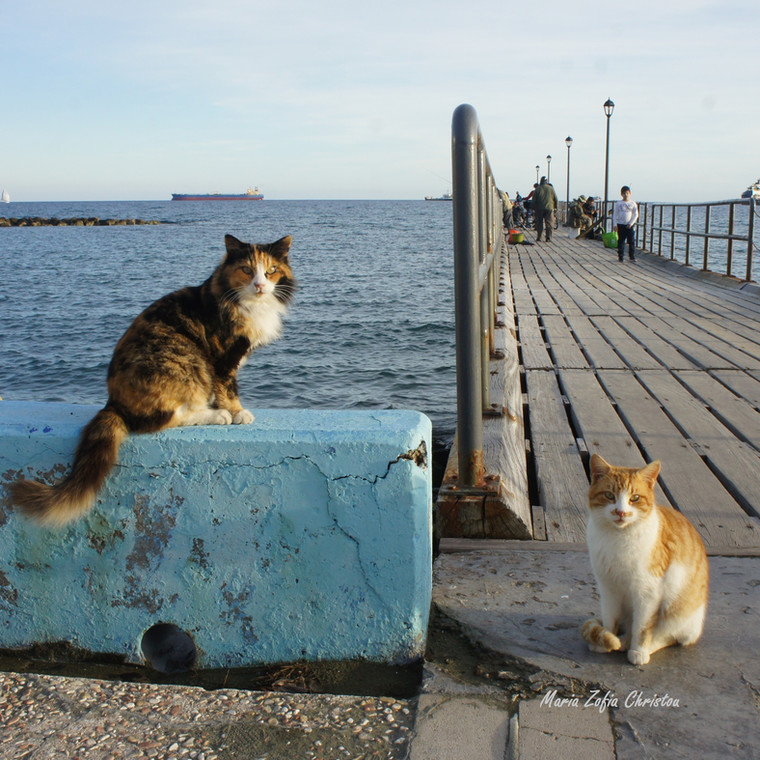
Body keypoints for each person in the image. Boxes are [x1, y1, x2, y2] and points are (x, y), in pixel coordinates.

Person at [613, 186, 639, 262]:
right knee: (621, 241)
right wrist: (615, 224)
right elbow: (615, 214)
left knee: (631, 241)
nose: (626, 195)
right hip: (620, 224)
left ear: (630, 193)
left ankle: (632, 256)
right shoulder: (618, 203)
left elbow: (635, 214)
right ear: (621, 194)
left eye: (627, 193)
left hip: (630, 225)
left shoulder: (633, 203)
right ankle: (620, 256)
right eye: (624, 193)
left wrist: (631, 223)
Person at [532, 176, 558, 242]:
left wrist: (533, 208)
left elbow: (533, 200)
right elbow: (556, 199)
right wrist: (556, 208)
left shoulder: (538, 189)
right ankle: (548, 237)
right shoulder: (551, 189)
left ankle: (539, 237)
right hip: (549, 208)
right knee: (549, 223)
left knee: (539, 223)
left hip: (539, 208)